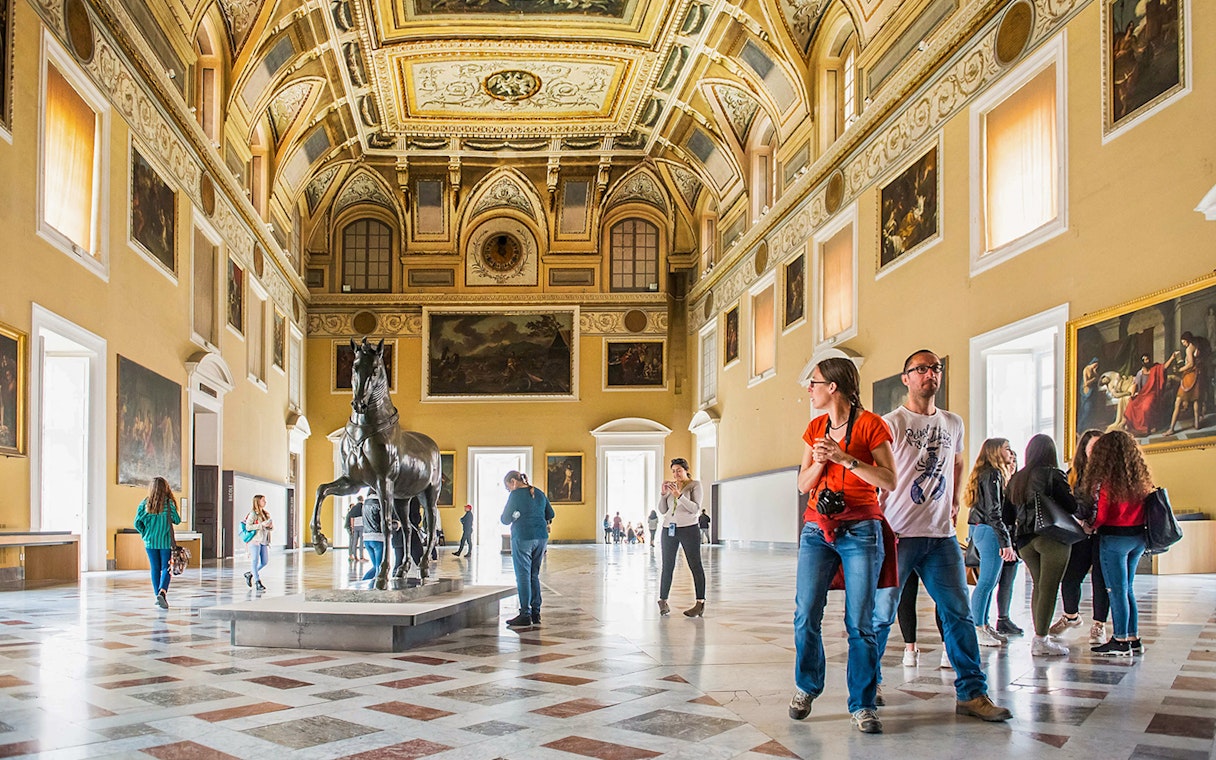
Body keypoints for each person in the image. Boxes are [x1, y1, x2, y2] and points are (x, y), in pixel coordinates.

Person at [872, 349, 1011, 722]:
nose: (929, 374)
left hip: (942, 536)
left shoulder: (953, 422)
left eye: (935, 368)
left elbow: (959, 461)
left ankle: (971, 692)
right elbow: (875, 473)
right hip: (899, 533)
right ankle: (869, 686)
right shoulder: (891, 423)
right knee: (881, 615)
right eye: (920, 369)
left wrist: (953, 501)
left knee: (959, 613)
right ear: (906, 378)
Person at [789, 357, 897, 734]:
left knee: (860, 622)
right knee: (805, 614)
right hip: (817, 529)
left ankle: (863, 704)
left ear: (833, 386)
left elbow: (889, 479)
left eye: (814, 382)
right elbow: (803, 485)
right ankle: (806, 686)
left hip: (861, 530)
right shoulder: (815, 427)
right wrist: (820, 462)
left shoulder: (871, 425)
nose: (810, 388)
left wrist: (844, 458)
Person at [1002, 434, 1080, 656]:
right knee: (1049, 587)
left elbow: (1007, 515)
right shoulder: (1053, 474)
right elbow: (1071, 506)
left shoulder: (1016, 478)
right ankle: (1041, 639)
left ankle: (1040, 636)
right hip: (1051, 536)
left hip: (1025, 541)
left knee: (1038, 585)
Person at [1081, 430, 1152, 656]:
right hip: (1138, 538)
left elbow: (1100, 515)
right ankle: (1133, 637)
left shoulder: (1107, 480)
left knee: (1116, 590)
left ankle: (1120, 640)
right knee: (1128, 588)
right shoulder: (1139, 477)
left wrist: (1088, 525)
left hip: (1114, 539)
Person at [1052, 429, 1110, 645]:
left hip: (1103, 533)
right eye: (1093, 447)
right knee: (1070, 577)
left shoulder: (1111, 474)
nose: (1096, 452)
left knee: (1100, 580)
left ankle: (1099, 625)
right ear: (1084, 449)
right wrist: (1080, 521)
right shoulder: (1072, 474)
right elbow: (1067, 503)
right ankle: (1070, 616)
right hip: (1079, 533)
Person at [963, 438, 1017, 647]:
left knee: (989, 582)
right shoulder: (992, 474)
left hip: (983, 529)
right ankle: (977, 627)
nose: (1010, 452)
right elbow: (994, 512)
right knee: (986, 582)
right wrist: (1006, 542)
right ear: (995, 452)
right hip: (990, 531)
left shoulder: (988, 473)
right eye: (1006, 448)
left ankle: (983, 625)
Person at [501, 471, 555, 629]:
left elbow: (505, 519)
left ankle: (525, 613)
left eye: (507, 487)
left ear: (513, 482)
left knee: (523, 575)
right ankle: (535, 612)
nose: (509, 490)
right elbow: (551, 514)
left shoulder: (516, 495)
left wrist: (516, 516)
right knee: (534, 574)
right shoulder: (538, 492)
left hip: (523, 536)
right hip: (541, 537)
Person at [656, 457, 706, 619]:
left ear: (686, 470)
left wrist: (679, 495)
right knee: (667, 565)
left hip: (689, 529)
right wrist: (664, 495)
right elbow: (663, 510)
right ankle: (663, 601)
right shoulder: (672, 486)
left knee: (695, 565)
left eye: (678, 470)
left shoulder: (694, 485)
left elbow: (695, 509)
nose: (675, 474)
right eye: (673, 471)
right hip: (668, 529)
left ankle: (700, 603)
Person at [133, 476, 181, 609]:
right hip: (165, 542)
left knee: (155, 568)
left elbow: (137, 523)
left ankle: (157, 595)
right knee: (167, 568)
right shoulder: (168, 504)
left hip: (150, 542)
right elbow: (177, 520)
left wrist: (145, 533)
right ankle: (162, 592)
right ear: (165, 488)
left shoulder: (145, 504)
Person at [1166, 331, 1210, 435]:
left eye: (1183, 342)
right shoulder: (1197, 346)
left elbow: (1190, 364)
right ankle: (1197, 424)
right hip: (1197, 375)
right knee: (1196, 400)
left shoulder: (1189, 349)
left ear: (1187, 340)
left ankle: (1171, 428)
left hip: (1189, 377)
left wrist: (1179, 370)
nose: (1183, 344)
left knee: (1178, 401)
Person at [243, 494, 273, 592]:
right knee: (254, 561)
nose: (265, 502)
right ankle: (257, 582)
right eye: (263, 500)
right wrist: (261, 525)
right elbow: (248, 527)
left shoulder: (265, 513)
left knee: (264, 561)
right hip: (255, 540)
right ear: (258, 502)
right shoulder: (253, 514)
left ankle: (250, 574)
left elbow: (268, 528)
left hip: (264, 540)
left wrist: (269, 526)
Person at [361, 495, 386, 582]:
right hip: (377, 537)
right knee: (379, 567)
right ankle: (377, 586)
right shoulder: (379, 503)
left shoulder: (365, 504)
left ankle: (362, 582)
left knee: (375, 566)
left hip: (366, 538)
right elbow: (384, 521)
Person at [345, 495, 365, 562]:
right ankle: (361, 557)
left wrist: (352, 527)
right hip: (362, 526)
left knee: (354, 542)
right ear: (362, 499)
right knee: (361, 543)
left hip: (355, 527)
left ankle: (355, 556)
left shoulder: (354, 508)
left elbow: (352, 518)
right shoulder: (364, 506)